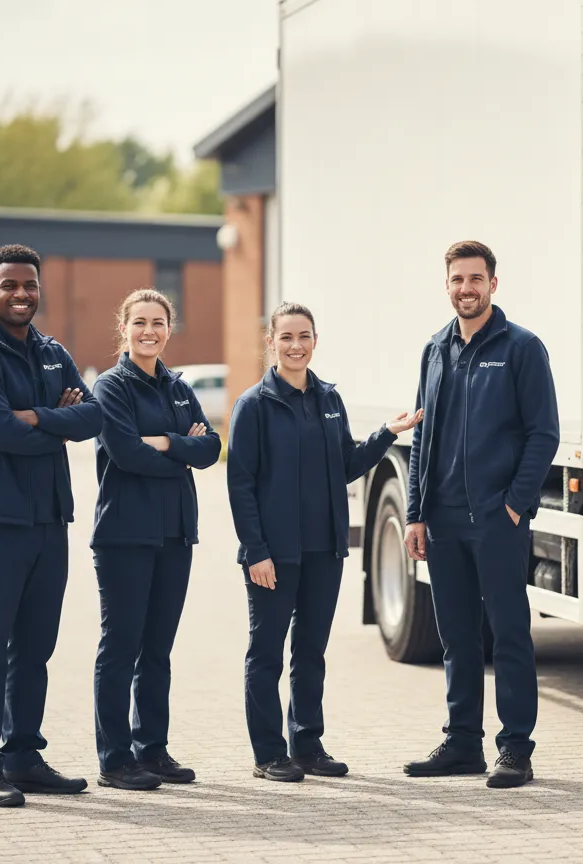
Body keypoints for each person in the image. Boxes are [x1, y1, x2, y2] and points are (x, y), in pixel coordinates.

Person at [227, 302, 423, 782]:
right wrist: (256, 551)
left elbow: (347, 464)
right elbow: (241, 484)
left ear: (315, 341)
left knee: (311, 650)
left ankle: (308, 746)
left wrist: (386, 435)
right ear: (270, 342)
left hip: (324, 550)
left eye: (305, 336)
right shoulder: (253, 405)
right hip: (275, 554)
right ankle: (269, 753)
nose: (296, 345)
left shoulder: (328, 399)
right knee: (267, 653)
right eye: (287, 337)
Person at [0, 244, 104, 807]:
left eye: (29, 285)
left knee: (35, 646)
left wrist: (40, 416)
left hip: (47, 519)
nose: (21, 294)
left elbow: (91, 417)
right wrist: (55, 422)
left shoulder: (51, 351)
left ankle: (23, 756)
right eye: (10, 285)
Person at [402, 241, 559, 789]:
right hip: (443, 522)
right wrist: (416, 513)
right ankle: (463, 742)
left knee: (509, 633)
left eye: (475, 279)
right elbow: (423, 435)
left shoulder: (521, 349)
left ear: (494, 283)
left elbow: (544, 434)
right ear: (446, 286)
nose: (465, 288)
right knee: (457, 636)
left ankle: (515, 747)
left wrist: (515, 504)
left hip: (497, 521)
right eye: (456, 280)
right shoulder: (435, 350)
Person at [90, 288, 221, 791]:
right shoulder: (111, 387)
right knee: (121, 646)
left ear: (170, 328)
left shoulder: (179, 388)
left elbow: (210, 447)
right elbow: (124, 454)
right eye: (139, 322)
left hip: (174, 534)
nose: (149, 331)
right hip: (125, 534)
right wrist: (180, 451)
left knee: (158, 650)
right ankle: (116, 758)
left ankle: (153, 750)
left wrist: (167, 443)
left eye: (158, 323)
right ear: (123, 328)